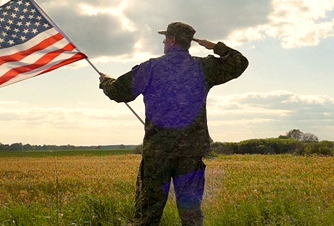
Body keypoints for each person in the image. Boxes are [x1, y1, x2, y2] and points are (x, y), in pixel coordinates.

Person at [98, 21, 249, 226]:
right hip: (191, 153)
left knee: (147, 214)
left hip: (157, 153)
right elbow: (240, 62)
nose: (163, 42)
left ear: (171, 40)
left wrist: (106, 81)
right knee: (192, 215)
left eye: (165, 39)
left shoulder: (151, 68)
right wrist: (215, 47)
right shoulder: (204, 67)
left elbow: (118, 92)